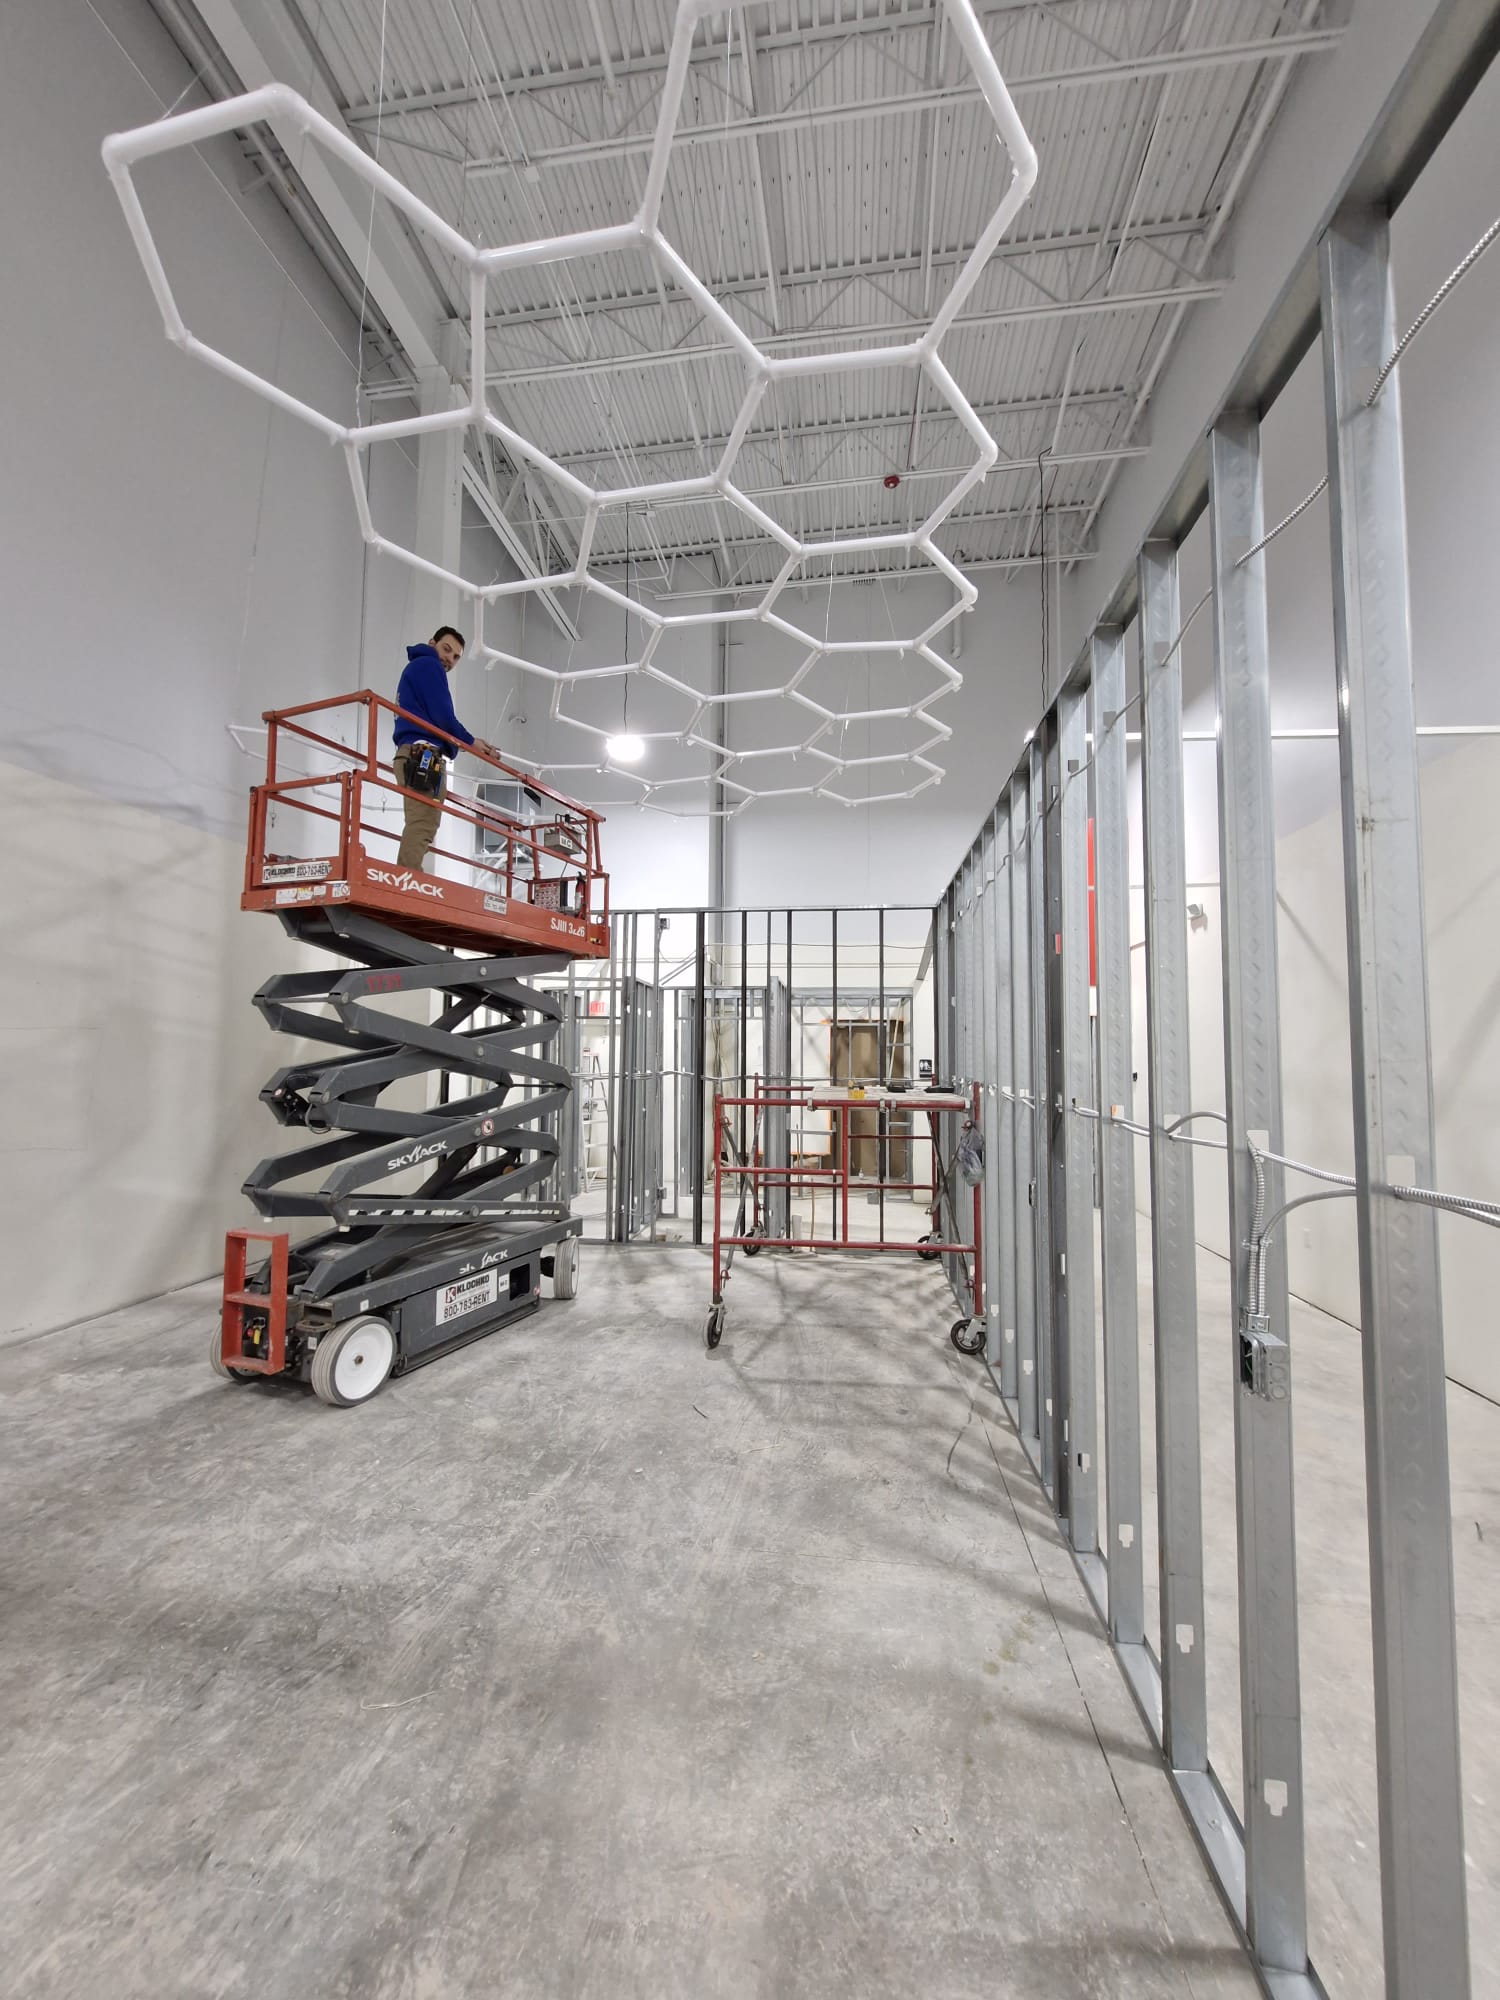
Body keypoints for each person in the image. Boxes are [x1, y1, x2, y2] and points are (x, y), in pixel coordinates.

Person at [391, 626, 498, 871]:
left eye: (455, 656)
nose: (449, 659)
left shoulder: (418, 669)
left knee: (420, 821)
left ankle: (407, 874)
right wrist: (470, 742)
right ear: (432, 643)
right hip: (422, 755)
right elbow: (443, 715)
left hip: (412, 753)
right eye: (446, 649)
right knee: (423, 823)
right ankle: (406, 878)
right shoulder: (429, 666)